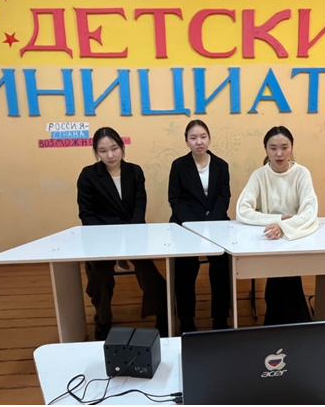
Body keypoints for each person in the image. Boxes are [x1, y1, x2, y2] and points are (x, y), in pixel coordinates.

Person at [77, 127, 168, 340]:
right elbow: (86, 214)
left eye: (114, 148)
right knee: (100, 274)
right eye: (103, 151)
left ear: (122, 147)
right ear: (96, 152)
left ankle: (162, 314)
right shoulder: (88, 175)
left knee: (149, 271)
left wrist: (131, 235)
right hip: (102, 237)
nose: (110, 155)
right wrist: (109, 238)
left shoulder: (134, 172)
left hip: (133, 233)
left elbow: (139, 207)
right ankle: (103, 318)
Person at [236, 126, 318, 326]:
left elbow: (310, 211)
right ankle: (294, 323)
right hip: (269, 238)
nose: (279, 153)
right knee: (284, 277)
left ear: (292, 148)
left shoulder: (302, 173)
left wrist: (284, 226)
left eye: (284, 147)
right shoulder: (259, 175)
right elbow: (242, 210)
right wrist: (278, 220)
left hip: (295, 237)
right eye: (273, 148)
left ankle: (277, 323)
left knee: (285, 276)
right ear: (266, 149)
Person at [168, 120, 232, 333]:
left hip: (216, 222)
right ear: (186, 140)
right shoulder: (179, 165)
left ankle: (220, 318)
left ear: (209, 138)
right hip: (185, 224)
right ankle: (186, 319)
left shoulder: (221, 165)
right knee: (185, 269)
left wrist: (210, 223)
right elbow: (175, 199)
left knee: (222, 267)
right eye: (193, 138)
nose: (199, 142)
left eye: (203, 137)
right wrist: (194, 225)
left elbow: (224, 197)